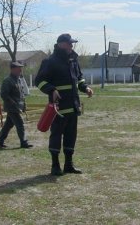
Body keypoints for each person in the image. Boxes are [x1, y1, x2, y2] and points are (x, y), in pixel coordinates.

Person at [35, 33, 93, 176]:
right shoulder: (50, 61)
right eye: (69, 43)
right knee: (56, 136)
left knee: (71, 135)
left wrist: (85, 87)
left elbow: (79, 78)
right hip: (58, 107)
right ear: (61, 44)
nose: (71, 46)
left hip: (73, 106)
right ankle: (55, 165)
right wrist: (51, 89)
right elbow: (40, 81)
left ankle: (69, 164)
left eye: (72, 43)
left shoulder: (73, 60)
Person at [0, 61, 33, 149]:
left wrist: (24, 105)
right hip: (12, 107)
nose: (20, 70)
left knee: (8, 124)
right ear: (12, 69)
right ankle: (24, 142)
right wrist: (12, 103)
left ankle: (0, 140)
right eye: (18, 68)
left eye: (21, 68)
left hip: (18, 107)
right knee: (20, 123)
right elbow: (4, 94)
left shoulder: (18, 79)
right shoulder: (7, 81)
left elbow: (22, 94)